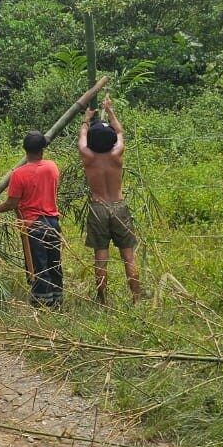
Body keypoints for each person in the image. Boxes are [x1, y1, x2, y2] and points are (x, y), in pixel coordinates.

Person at [0, 131, 63, 307]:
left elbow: (11, 203)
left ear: (25, 149)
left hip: (33, 224)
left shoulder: (19, 174)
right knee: (54, 263)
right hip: (53, 222)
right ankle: (57, 300)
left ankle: (43, 305)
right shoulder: (52, 167)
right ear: (43, 149)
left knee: (40, 266)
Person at [79, 96, 141, 305]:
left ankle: (102, 300)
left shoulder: (87, 156)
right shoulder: (117, 154)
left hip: (98, 207)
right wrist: (110, 111)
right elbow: (120, 131)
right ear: (111, 139)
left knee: (101, 258)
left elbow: (82, 136)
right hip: (119, 206)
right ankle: (136, 298)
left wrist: (86, 120)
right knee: (128, 257)